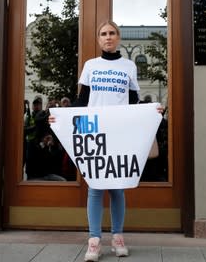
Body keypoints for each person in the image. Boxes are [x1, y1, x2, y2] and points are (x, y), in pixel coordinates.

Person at [49, 20, 162, 262]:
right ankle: (94, 240)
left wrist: (151, 113)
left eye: (112, 33)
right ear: (98, 39)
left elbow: (133, 102)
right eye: (103, 34)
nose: (108, 37)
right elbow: (82, 101)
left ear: (118, 37)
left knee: (117, 187)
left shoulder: (129, 66)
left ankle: (118, 237)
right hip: (95, 131)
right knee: (95, 187)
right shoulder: (90, 65)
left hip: (119, 132)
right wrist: (60, 118)